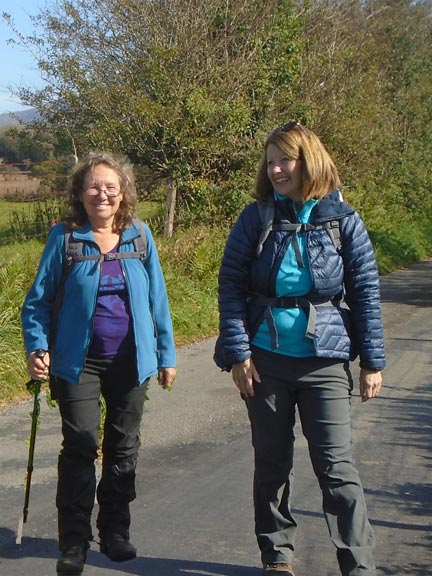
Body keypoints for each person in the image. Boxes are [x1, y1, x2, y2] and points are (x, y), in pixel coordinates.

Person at [214, 122, 385, 576]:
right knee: (272, 464)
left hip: (325, 360)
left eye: (284, 159)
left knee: (336, 467)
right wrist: (238, 354)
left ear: (309, 160)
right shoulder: (256, 218)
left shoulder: (343, 220)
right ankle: (277, 557)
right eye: (270, 161)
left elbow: (365, 292)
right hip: (265, 359)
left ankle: (359, 564)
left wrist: (372, 362)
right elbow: (230, 285)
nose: (275, 169)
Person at [21, 152, 176, 575]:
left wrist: (167, 354)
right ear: (80, 193)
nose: (102, 194)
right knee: (81, 447)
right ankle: (73, 543)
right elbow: (36, 303)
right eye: (93, 186)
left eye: (110, 186)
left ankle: (115, 532)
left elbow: (157, 300)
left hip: (131, 361)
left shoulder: (140, 237)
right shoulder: (65, 238)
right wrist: (37, 347)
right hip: (77, 362)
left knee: (123, 448)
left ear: (123, 191)